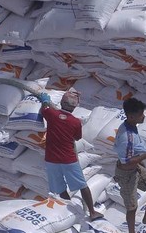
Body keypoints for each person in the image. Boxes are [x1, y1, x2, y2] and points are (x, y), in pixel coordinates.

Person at [38, 88, 103, 221]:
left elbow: (43, 110)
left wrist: (45, 101)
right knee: (82, 185)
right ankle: (92, 211)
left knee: (60, 188)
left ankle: (69, 212)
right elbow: (77, 138)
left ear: (61, 102)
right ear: (75, 107)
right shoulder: (75, 122)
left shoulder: (51, 114)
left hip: (51, 159)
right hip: (69, 159)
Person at [113, 97, 146, 233]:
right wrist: (145, 156)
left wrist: (140, 162)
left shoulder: (131, 126)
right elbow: (126, 162)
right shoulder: (126, 137)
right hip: (126, 173)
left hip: (135, 167)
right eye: (141, 114)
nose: (144, 116)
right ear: (131, 116)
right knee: (132, 207)